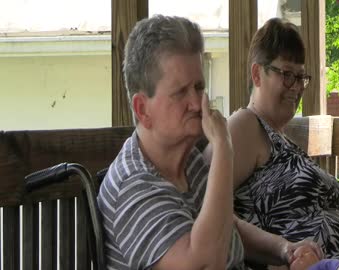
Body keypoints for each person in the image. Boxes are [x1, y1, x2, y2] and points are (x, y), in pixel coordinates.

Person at [97, 14, 322, 270]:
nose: (197, 103)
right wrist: (224, 148)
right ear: (142, 109)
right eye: (181, 92)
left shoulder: (187, 161)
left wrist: (284, 250)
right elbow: (205, 264)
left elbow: (226, 226)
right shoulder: (135, 187)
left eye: (199, 86)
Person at [203, 18, 339, 270]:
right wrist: (282, 250)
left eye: (301, 77)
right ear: (257, 73)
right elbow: (207, 207)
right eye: (286, 75)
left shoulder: (284, 140)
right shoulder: (245, 125)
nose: (296, 87)